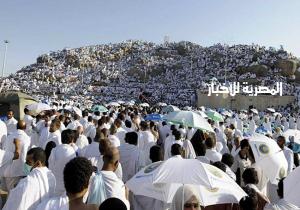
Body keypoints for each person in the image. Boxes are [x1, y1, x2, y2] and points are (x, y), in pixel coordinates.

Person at [2, 120, 31, 191]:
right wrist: (27, 172)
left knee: (10, 193)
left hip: (8, 170)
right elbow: (28, 156)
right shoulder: (27, 138)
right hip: (21, 170)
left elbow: (4, 149)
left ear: (16, 126)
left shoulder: (9, 137)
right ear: (25, 128)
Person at [48, 129, 77, 196]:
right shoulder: (72, 151)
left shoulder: (54, 150)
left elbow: (50, 165)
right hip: (65, 186)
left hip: (53, 184)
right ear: (72, 139)